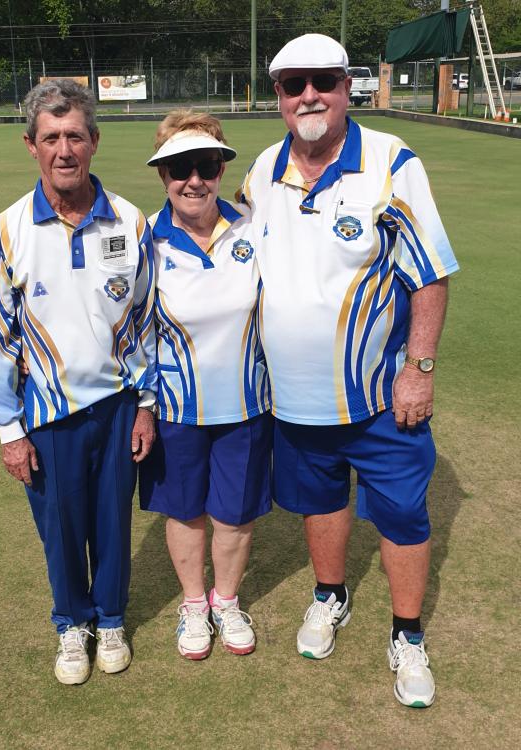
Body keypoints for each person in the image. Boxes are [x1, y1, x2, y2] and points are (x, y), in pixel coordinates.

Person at [239, 34, 459, 707]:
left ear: (346, 87)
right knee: (322, 502)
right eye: (292, 84)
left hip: (379, 397)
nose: (308, 95)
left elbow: (429, 275)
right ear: (278, 96)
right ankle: (329, 596)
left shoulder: (391, 161)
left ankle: (408, 634)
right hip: (295, 400)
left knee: (400, 514)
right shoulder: (261, 171)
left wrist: (419, 368)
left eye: (322, 82)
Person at [0, 79, 157, 685]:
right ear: (30, 145)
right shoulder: (3, 232)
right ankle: (70, 626)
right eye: (50, 137)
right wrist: (8, 429)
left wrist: (147, 404)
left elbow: (146, 320)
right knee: (61, 528)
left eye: (74, 135)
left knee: (111, 522)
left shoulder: (132, 222)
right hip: (46, 413)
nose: (64, 150)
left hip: (115, 403)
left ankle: (109, 620)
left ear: (94, 141)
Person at [140, 110, 272, 659]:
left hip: (246, 402)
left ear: (221, 168)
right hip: (174, 407)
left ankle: (226, 599)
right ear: (163, 174)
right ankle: (194, 604)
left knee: (234, 513)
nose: (194, 180)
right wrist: (143, 405)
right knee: (186, 510)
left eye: (207, 166)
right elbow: (129, 328)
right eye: (179, 168)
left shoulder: (254, 227)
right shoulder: (143, 239)